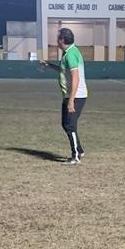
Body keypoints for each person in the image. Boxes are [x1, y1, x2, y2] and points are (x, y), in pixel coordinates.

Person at [40, 27, 87, 164]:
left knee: (70, 125)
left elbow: (75, 78)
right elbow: (63, 70)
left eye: (57, 38)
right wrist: (49, 65)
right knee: (66, 124)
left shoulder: (71, 54)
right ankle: (79, 150)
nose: (56, 41)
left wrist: (71, 100)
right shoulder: (69, 52)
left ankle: (76, 156)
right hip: (70, 95)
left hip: (76, 96)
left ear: (61, 40)